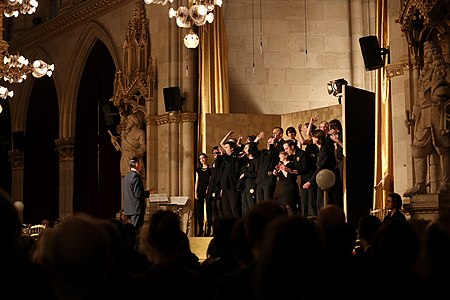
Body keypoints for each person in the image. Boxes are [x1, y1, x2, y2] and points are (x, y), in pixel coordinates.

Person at [404, 40, 450, 196]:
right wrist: (412, 118)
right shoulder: (423, 75)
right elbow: (418, 99)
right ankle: (420, 184)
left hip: (437, 111)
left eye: (429, 52)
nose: (427, 56)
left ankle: (445, 182)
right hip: (423, 114)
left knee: (443, 147)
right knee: (418, 149)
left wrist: (442, 96)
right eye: (425, 53)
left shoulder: (444, 69)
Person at [111, 112, 146, 177]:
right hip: (125, 159)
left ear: (134, 121)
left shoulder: (140, 132)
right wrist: (114, 142)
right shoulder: (124, 134)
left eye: (129, 119)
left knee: (135, 180)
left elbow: (143, 146)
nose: (127, 121)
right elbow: (121, 148)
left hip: (134, 158)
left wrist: (136, 152)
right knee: (126, 182)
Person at [123, 157, 153, 232]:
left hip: (129, 209)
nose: (141, 165)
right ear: (136, 164)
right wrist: (149, 192)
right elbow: (138, 194)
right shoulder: (135, 176)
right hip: (136, 209)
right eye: (140, 163)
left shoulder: (126, 177)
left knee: (131, 232)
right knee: (136, 232)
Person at [194, 153, 211, 237]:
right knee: (199, 211)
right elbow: (196, 182)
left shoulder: (210, 169)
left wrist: (209, 188)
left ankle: (209, 229)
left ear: (206, 158)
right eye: (200, 159)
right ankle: (200, 229)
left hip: (207, 190)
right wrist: (195, 192)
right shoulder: (198, 170)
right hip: (200, 190)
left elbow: (211, 180)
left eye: (203, 158)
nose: (202, 160)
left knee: (209, 210)